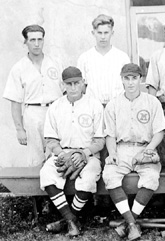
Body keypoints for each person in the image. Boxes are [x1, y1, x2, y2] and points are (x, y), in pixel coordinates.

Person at [102, 63, 165, 240]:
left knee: (152, 177)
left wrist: (147, 150)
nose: (130, 83)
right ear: (122, 79)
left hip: (146, 148)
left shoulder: (151, 102)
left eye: (134, 78)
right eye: (127, 78)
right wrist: (112, 152)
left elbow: (160, 131)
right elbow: (109, 134)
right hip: (122, 148)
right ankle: (131, 224)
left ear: (141, 79)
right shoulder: (113, 104)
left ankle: (128, 222)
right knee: (109, 175)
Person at [40, 66, 105, 237]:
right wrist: (62, 154)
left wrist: (83, 154)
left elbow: (100, 140)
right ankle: (70, 220)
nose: (74, 87)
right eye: (69, 84)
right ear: (63, 85)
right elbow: (50, 139)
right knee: (46, 173)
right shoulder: (55, 107)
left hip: (87, 154)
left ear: (83, 82)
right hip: (62, 153)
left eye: (77, 83)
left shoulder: (94, 105)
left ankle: (66, 220)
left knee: (90, 177)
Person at [3, 24, 63, 167]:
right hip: (33, 113)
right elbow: (15, 101)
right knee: (36, 157)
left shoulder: (55, 63)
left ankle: (58, 188)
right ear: (25, 42)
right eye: (32, 40)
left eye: (40, 40)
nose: (37, 44)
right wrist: (19, 129)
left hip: (55, 111)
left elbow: (66, 90)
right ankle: (38, 188)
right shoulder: (19, 68)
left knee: (57, 153)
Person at [77, 14, 130, 106]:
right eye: (99, 33)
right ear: (93, 33)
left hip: (117, 105)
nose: (103, 37)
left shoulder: (122, 57)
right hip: (93, 107)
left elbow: (128, 83)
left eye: (106, 33)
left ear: (112, 33)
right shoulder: (85, 58)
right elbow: (81, 86)